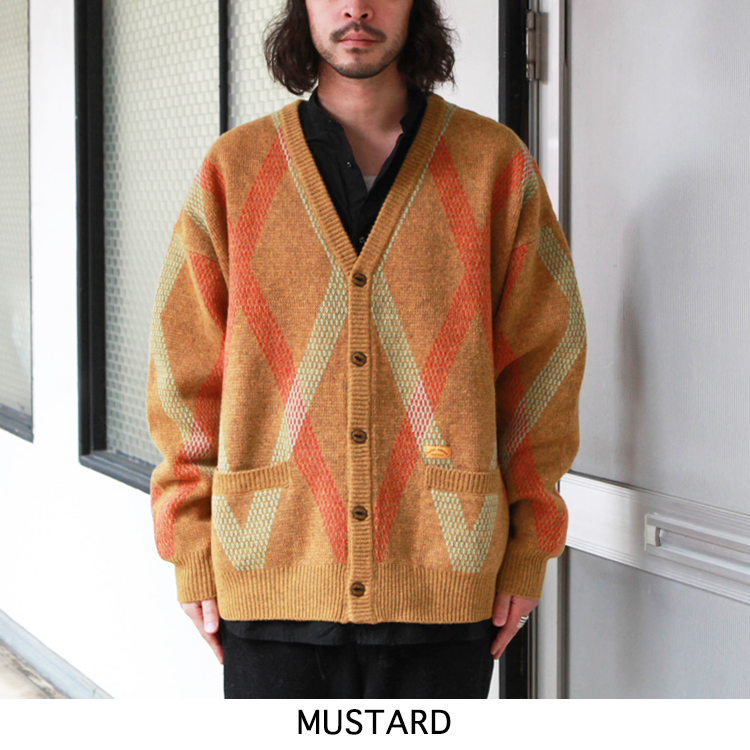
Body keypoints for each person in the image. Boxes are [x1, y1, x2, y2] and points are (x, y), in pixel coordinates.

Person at [145, 0, 587, 699]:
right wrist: (191, 548)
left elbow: (544, 367)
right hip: (270, 582)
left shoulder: (493, 165)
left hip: (444, 584)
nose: (356, 7)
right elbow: (184, 374)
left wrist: (530, 546)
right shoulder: (235, 169)